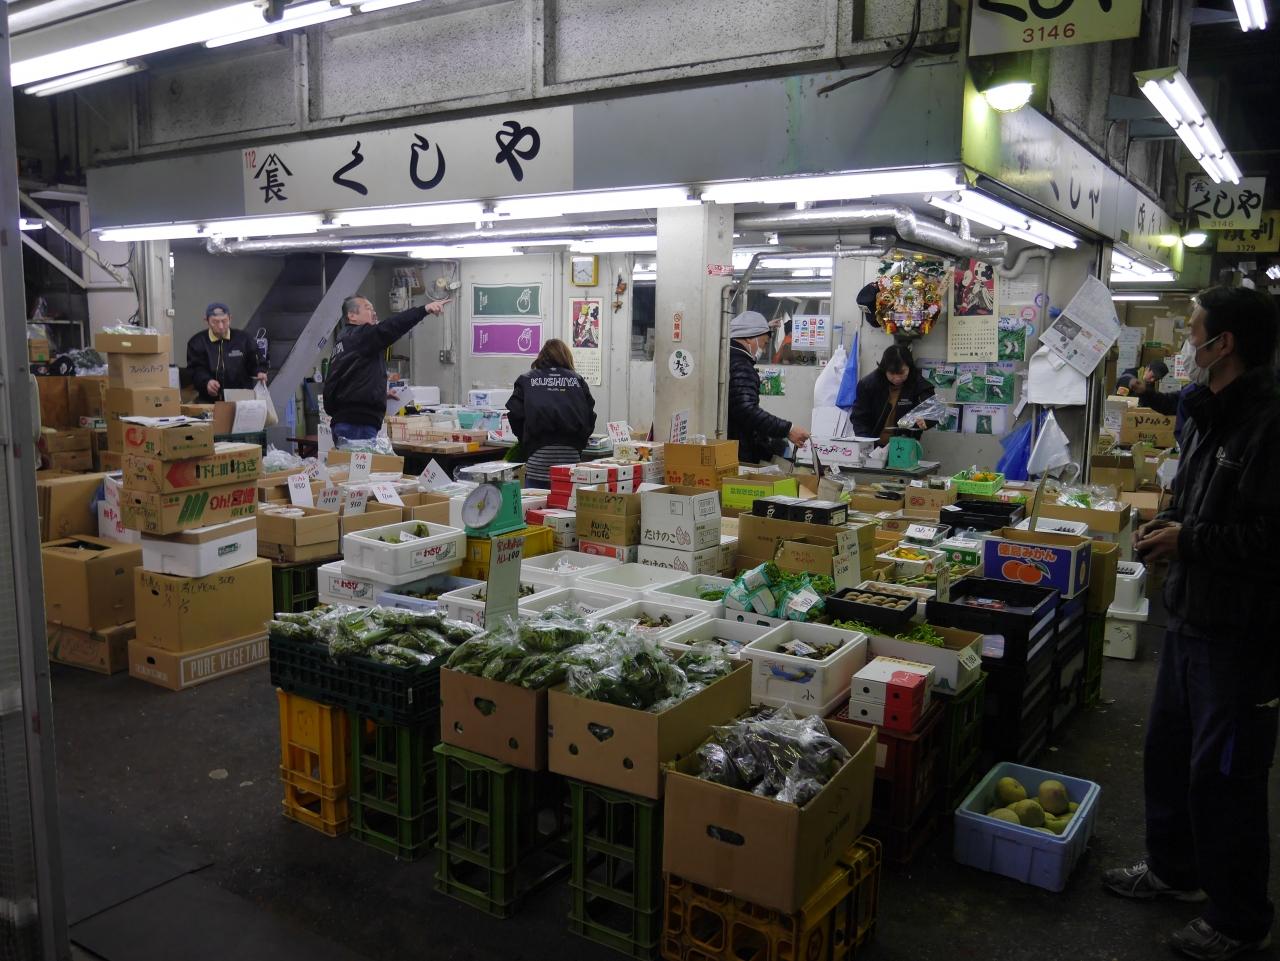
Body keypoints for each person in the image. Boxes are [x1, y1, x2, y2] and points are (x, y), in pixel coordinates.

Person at [1103, 286, 1280, 961]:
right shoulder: (1208, 412)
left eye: (1194, 329)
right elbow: (1198, 502)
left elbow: (1269, 539)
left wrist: (1191, 540)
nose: (1186, 343)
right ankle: (1174, 870)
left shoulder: (1269, 424)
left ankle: (1239, 918)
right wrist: (1168, 527)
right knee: (1168, 754)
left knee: (1226, 778)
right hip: (1189, 614)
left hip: (1241, 634)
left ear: (1223, 343)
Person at [324, 295, 449, 445]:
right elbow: (392, 326)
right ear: (352, 316)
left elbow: (347, 381)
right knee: (359, 461)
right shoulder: (360, 336)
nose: (374, 313)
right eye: (368, 308)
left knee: (349, 460)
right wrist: (424, 309)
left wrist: (377, 393)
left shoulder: (344, 341)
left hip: (347, 421)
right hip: (357, 424)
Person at [506, 339, 595, 488]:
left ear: (542, 356)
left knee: (536, 502)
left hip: (537, 461)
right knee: (567, 502)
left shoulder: (527, 380)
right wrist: (576, 443)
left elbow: (515, 414)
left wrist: (528, 440)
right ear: (566, 356)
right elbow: (590, 416)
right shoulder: (577, 381)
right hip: (570, 462)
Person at [726, 311, 809, 464]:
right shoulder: (741, 366)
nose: (763, 350)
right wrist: (788, 429)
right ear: (749, 338)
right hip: (737, 452)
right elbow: (746, 410)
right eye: (764, 344)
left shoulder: (727, 358)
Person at [848, 344, 936, 446]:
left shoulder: (919, 384)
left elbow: (933, 410)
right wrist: (865, 443)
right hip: (873, 444)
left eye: (902, 373)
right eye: (892, 373)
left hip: (905, 445)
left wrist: (926, 419)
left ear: (909, 367)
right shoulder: (868, 385)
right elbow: (859, 418)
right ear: (884, 369)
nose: (897, 378)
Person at [185, 302, 267, 403]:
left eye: (224, 321)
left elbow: (257, 361)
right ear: (206, 321)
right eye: (215, 322)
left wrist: (260, 371)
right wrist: (206, 382)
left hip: (241, 399)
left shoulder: (244, 339)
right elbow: (195, 370)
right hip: (209, 401)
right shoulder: (197, 342)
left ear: (230, 318)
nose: (220, 326)